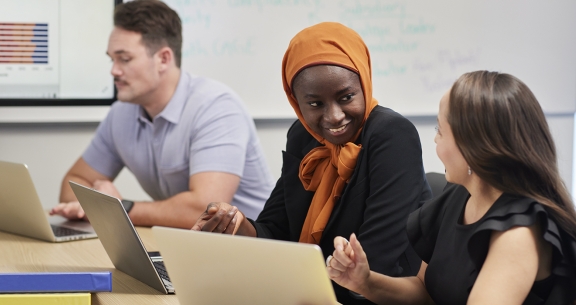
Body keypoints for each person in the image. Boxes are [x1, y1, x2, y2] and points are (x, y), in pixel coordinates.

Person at [191, 22, 432, 305]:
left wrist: (289, 283)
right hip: (313, 293)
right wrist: (237, 225)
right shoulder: (303, 135)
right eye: (315, 104)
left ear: (364, 83)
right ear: (296, 102)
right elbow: (277, 232)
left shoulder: (391, 135)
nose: (334, 117)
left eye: (346, 97)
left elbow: (375, 262)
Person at [327, 71, 576, 304]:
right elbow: (425, 292)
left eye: (440, 131)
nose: (435, 139)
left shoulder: (519, 232)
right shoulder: (458, 196)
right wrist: (365, 281)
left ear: (473, 148)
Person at [50, 0, 274, 228]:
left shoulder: (216, 107)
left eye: (124, 59)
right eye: (112, 59)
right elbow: (72, 185)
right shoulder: (121, 113)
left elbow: (205, 210)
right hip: (188, 242)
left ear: (164, 59)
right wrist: (95, 206)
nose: (114, 71)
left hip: (252, 250)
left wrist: (120, 208)